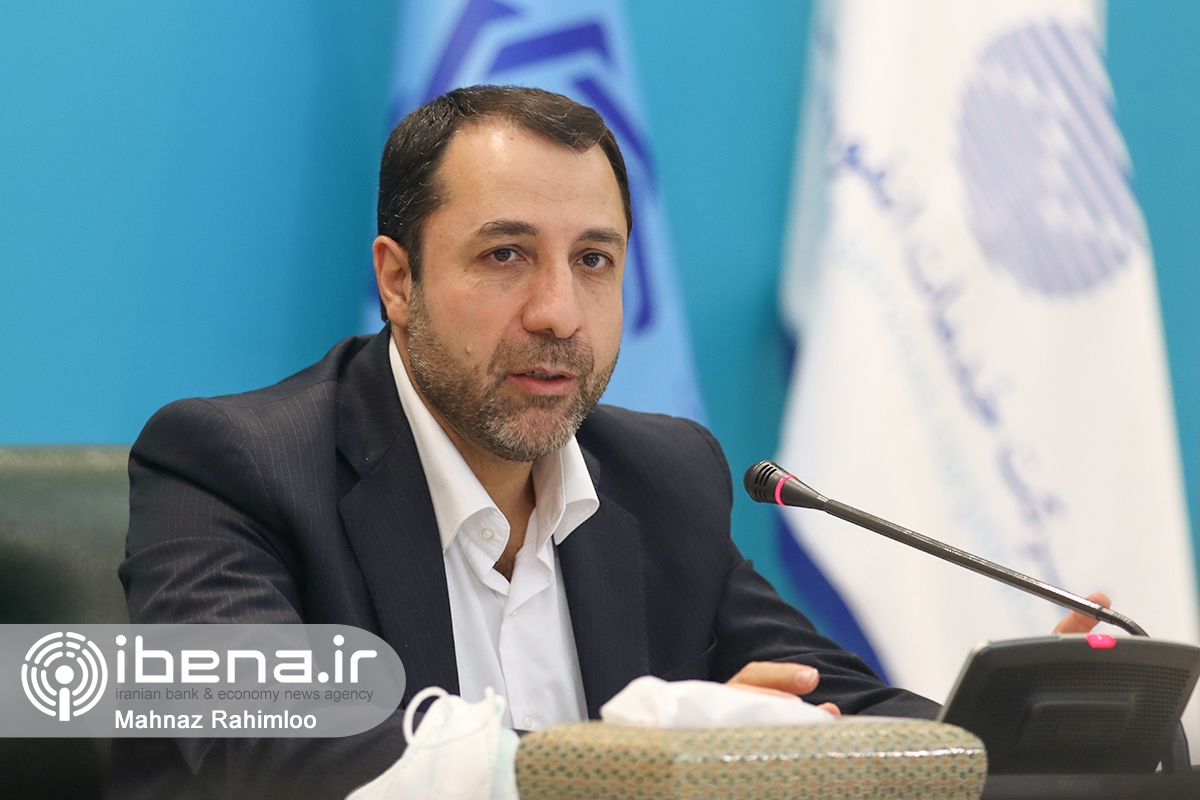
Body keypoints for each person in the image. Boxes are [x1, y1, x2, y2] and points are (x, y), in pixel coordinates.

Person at [108, 85, 1108, 799]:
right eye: (506, 255)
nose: (559, 311)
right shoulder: (230, 465)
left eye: (594, 260)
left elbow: (826, 702)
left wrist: (1001, 734)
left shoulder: (660, 476)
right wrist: (630, 759)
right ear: (398, 279)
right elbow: (267, 751)